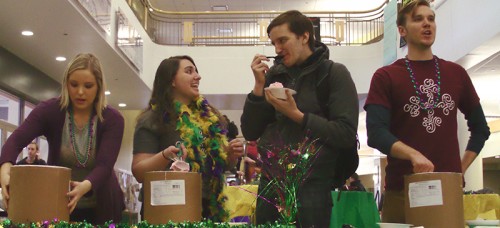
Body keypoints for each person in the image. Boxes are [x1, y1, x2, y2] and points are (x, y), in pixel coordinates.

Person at [364, 0, 490, 223]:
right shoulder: (386, 76)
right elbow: (376, 133)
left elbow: (480, 129)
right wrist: (413, 154)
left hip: (446, 192)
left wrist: (459, 169)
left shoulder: (456, 74)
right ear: (402, 30)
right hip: (403, 190)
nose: (427, 24)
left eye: (431, 19)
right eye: (418, 19)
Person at [241, 10, 359, 227]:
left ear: (305, 36)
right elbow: (250, 132)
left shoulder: (334, 74)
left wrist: (296, 115)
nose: (277, 49)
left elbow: (345, 134)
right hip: (271, 184)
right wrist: (259, 87)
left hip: (313, 188)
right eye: (273, 43)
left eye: (283, 40)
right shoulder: (274, 76)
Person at [0, 53, 125, 224]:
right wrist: (5, 170)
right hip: (59, 201)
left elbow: (105, 165)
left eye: (88, 86)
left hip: (101, 204)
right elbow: (14, 141)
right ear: (66, 83)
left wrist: (84, 186)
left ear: (99, 87)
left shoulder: (113, 119)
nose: (80, 92)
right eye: (74, 84)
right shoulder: (49, 110)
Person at [131, 55, 244, 222]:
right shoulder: (153, 119)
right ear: (172, 80)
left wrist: (229, 155)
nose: (197, 76)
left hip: (209, 210)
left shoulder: (210, 119)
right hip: (168, 210)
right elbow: (139, 172)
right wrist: (165, 156)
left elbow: (218, 167)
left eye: (196, 72)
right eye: (189, 71)